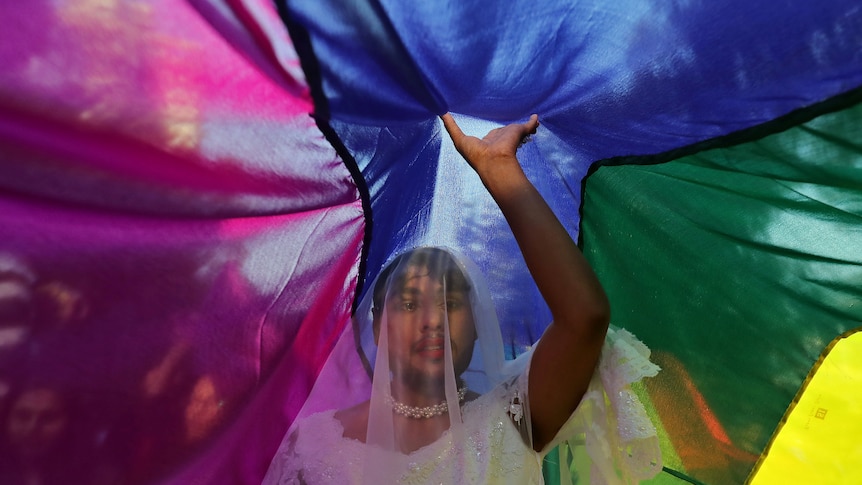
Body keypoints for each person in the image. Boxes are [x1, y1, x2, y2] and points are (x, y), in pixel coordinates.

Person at [263, 114, 661, 484]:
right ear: (377, 326)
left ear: (477, 324)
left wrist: (498, 167)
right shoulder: (311, 446)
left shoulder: (515, 416)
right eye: (408, 304)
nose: (432, 319)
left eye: (451, 302)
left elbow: (585, 316)